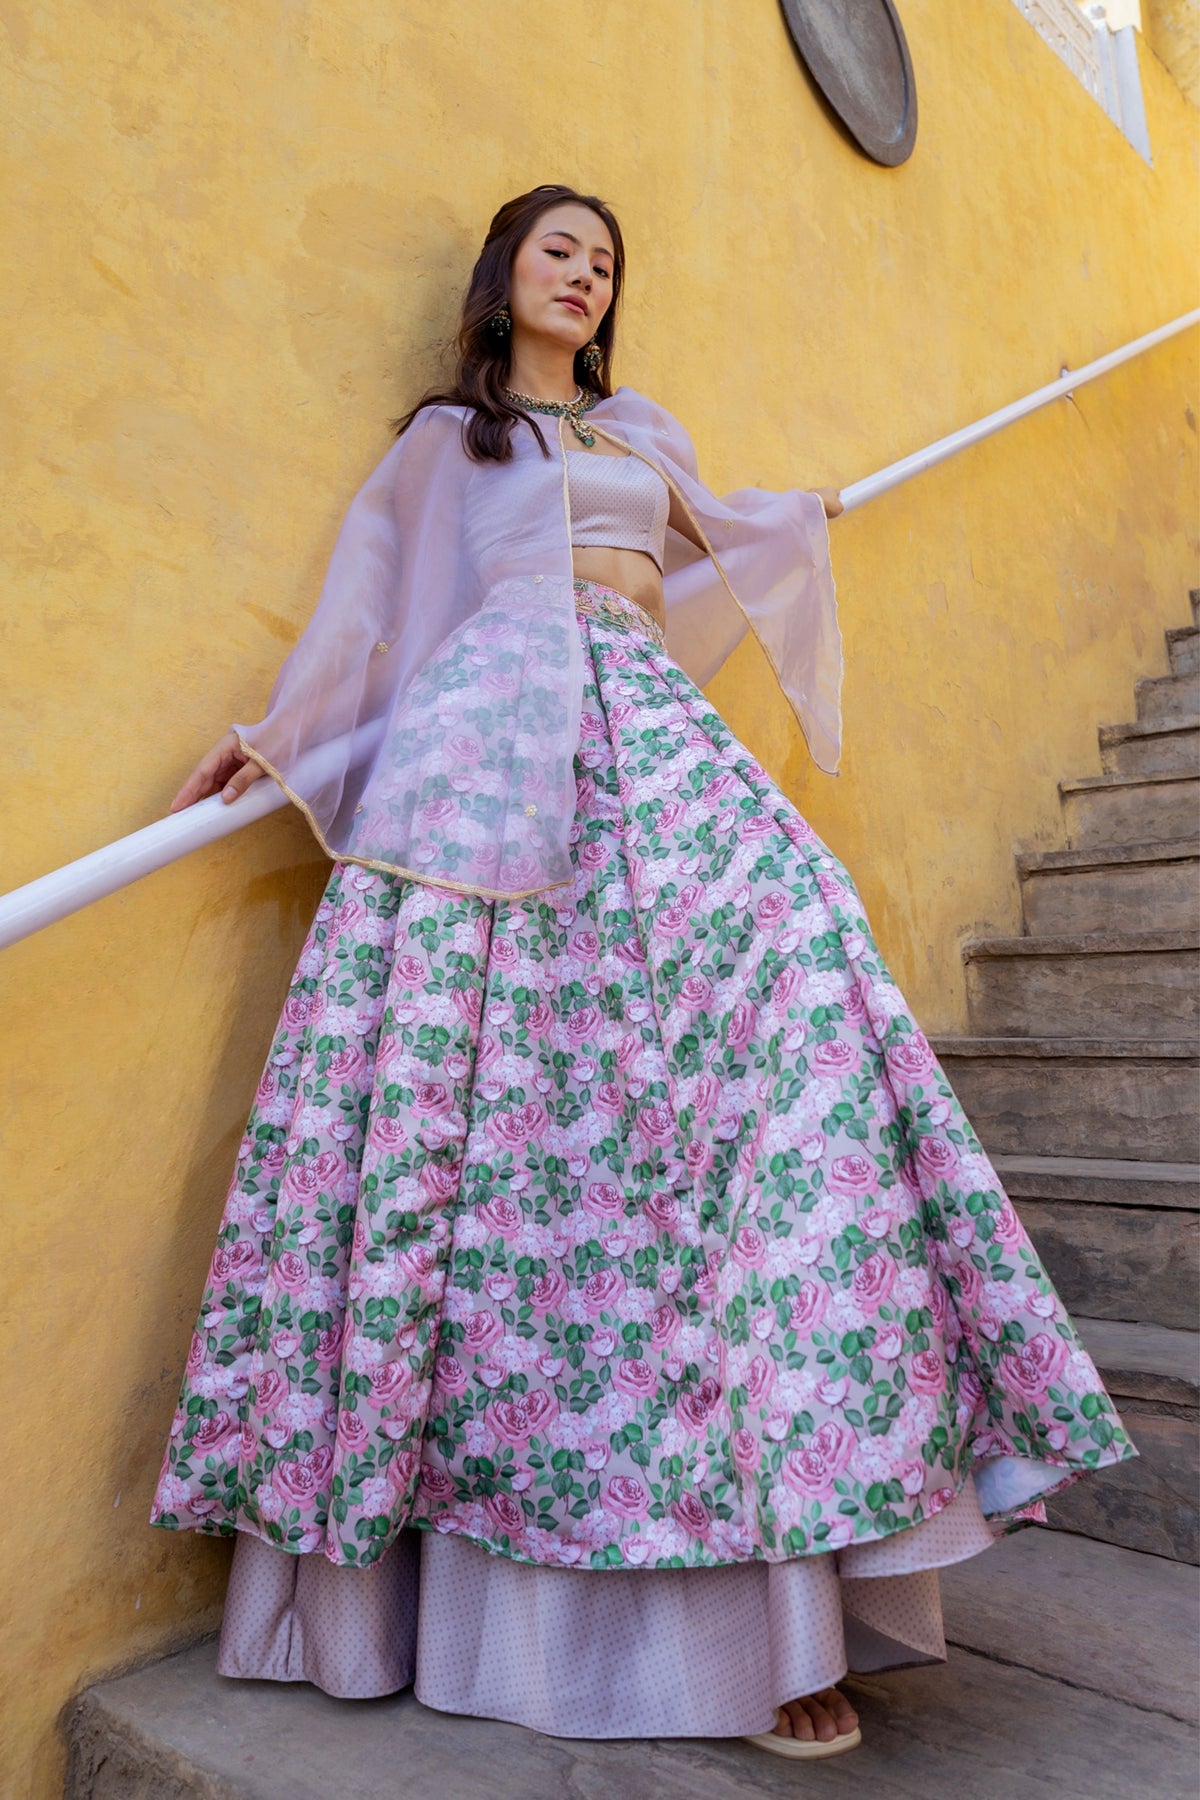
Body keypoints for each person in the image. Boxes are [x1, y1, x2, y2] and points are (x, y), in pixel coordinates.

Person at [151, 183, 1136, 1759]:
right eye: (560, 250)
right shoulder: (443, 444)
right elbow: (366, 612)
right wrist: (274, 738)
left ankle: (790, 1545)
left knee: (803, 957)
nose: (586, 275)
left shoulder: (633, 437)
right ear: (504, 276)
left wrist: (796, 513)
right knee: (513, 1127)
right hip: (484, 762)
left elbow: (724, 544)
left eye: (605, 262)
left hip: (646, 737)